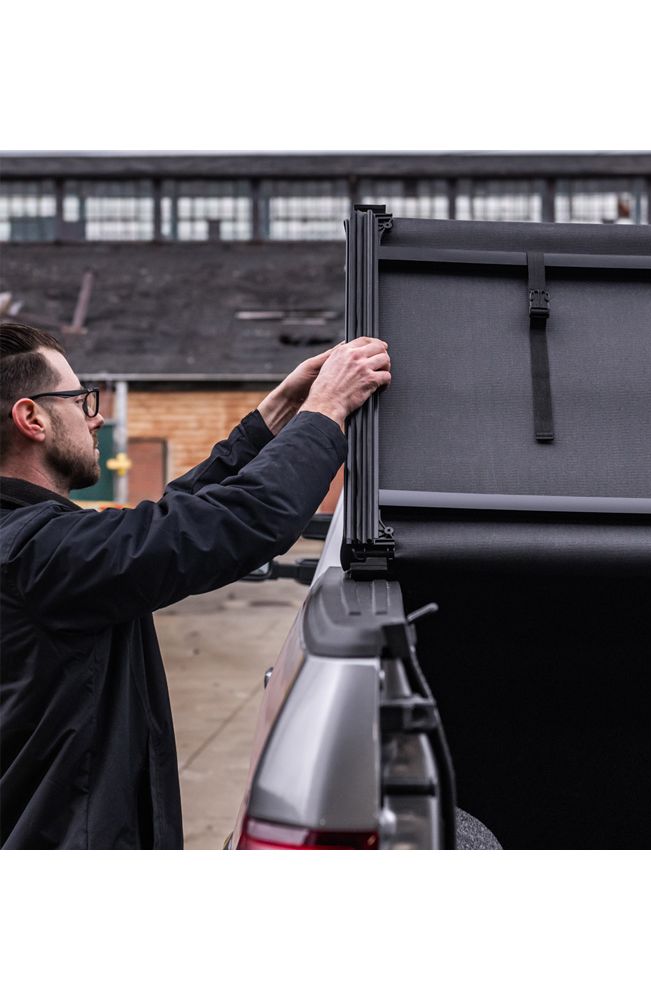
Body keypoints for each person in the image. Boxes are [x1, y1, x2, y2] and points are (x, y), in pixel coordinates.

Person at [0, 321, 500, 850]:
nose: (96, 415)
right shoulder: (33, 553)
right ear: (32, 418)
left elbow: (174, 517)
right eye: (80, 400)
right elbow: (235, 522)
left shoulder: (31, 542)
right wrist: (326, 409)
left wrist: (276, 415)